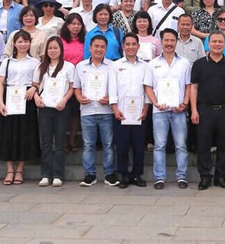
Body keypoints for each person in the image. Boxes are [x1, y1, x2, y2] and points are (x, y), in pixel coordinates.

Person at [190, 31, 225, 190]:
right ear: (208, 44)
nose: (217, 44)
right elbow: (194, 87)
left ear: (224, 44)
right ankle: (205, 176)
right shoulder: (199, 64)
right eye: (214, 42)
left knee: (224, 145)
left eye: (220, 42)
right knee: (203, 145)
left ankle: (221, 176)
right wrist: (194, 110)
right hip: (204, 109)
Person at [144, 29, 192, 189]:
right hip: (159, 111)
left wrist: (185, 103)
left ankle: (182, 176)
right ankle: (159, 177)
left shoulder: (184, 63)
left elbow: (188, 85)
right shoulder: (152, 64)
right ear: (161, 42)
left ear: (176, 42)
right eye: (166, 40)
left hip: (179, 110)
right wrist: (156, 103)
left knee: (181, 145)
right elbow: (148, 87)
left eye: (172, 40)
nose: (169, 43)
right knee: (159, 145)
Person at [0, 30, 41, 186]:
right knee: (7, 134)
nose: (23, 44)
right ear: (14, 43)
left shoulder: (35, 62)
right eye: (20, 42)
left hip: (26, 99)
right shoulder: (7, 62)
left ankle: (20, 169)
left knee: (25, 134)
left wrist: (33, 88)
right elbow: (1, 83)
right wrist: (1, 103)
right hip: (10, 98)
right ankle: (9, 170)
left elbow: (38, 81)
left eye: (26, 41)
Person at [74, 35, 119, 187]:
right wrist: (79, 98)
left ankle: (109, 174)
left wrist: (110, 99)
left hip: (106, 111)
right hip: (87, 111)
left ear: (106, 49)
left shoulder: (112, 66)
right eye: (96, 46)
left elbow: (115, 87)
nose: (99, 49)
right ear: (90, 48)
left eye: (102, 47)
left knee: (108, 144)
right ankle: (90, 174)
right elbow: (76, 87)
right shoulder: (81, 66)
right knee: (88, 144)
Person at [109, 33, 152, 188]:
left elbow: (147, 90)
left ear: (138, 46)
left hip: (139, 113)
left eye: (134, 44)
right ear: (123, 46)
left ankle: (137, 174)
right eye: (128, 44)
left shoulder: (146, 66)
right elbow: (112, 88)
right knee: (122, 146)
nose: (131, 47)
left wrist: (146, 109)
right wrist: (115, 109)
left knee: (139, 146)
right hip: (121, 112)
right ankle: (124, 175)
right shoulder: (115, 66)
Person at [34, 37, 76, 187]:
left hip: (61, 108)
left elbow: (72, 87)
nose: (53, 51)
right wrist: (36, 97)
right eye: (50, 48)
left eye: (55, 48)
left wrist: (64, 100)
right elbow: (35, 86)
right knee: (46, 142)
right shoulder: (41, 67)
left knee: (59, 142)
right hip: (45, 108)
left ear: (61, 50)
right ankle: (46, 174)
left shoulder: (69, 67)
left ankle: (58, 174)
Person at [59, 13, 86, 153]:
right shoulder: (60, 40)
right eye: (73, 24)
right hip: (63, 81)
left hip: (79, 81)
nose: (76, 27)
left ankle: (72, 140)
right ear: (67, 25)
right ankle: (61, 141)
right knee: (63, 112)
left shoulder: (85, 41)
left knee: (75, 113)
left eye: (78, 24)